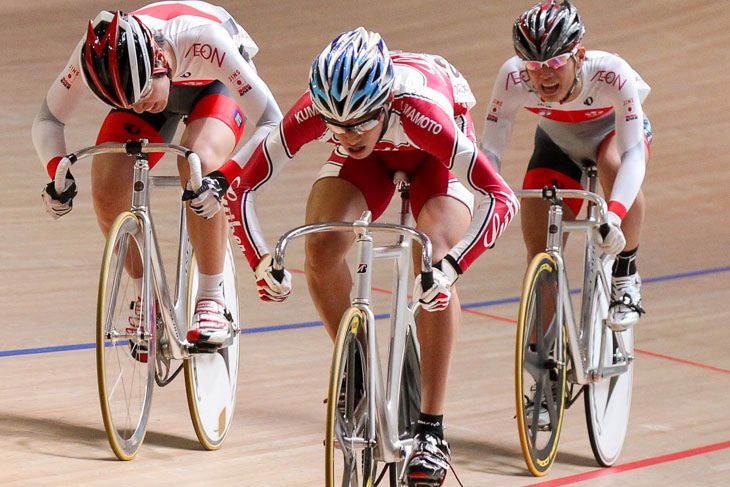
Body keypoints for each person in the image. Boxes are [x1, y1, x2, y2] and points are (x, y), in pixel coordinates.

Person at [188, 27, 518, 485]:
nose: (346, 134)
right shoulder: (317, 113)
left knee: (432, 253)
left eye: (359, 122)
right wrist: (260, 259)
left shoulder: (422, 114)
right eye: (336, 125)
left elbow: (502, 198)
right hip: (372, 161)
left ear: (384, 105)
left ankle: (431, 430)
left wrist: (451, 267)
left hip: (431, 158)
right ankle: (357, 367)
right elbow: (243, 185)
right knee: (320, 249)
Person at [32, 1, 282, 353]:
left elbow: (272, 121)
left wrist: (225, 177)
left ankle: (212, 298)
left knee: (199, 160)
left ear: (161, 63)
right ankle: (146, 300)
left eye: (142, 95)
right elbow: (48, 119)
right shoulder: (96, 54)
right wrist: (56, 172)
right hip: (154, 80)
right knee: (106, 182)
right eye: (127, 102)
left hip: (215, 85)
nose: (136, 108)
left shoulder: (206, 41)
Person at [480, 0, 651, 332]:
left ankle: (626, 273)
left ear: (579, 56)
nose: (544, 73)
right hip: (558, 143)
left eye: (556, 61)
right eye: (533, 64)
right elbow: (490, 152)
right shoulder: (512, 76)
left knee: (612, 162)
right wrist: (485, 204)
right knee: (539, 251)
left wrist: (613, 216)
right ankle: (545, 362)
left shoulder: (612, 72)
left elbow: (632, 154)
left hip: (611, 135)